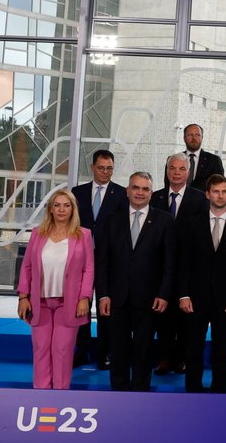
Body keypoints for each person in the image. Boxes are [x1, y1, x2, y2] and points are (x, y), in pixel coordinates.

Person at [95, 171, 176, 391]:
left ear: (151, 193)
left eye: (145, 189)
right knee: (118, 350)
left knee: (144, 350)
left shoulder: (165, 221)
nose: (140, 193)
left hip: (150, 300)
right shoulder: (111, 220)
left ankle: (140, 395)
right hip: (116, 298)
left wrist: (164, 294)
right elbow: (101, 262)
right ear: (127, 191)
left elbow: (170, 264)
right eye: (136, 188)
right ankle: (119, 396)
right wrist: (102, 294)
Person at [177, 173, 226, 393]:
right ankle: (193, 389)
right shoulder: (192, 223)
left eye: (225, 191)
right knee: (193, 349)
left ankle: (220, 389)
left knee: (222, 348)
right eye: (216, 191)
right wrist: (183, 294)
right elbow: (183, 262)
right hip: (195, 299)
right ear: (207, 194)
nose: (221, 195)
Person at [17, 190, 95, 389]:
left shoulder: (83, 234)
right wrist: (23, 296)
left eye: (66, 205)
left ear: (72, 209)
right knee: (41, 348)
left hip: (68, 302)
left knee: (62, 349)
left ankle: (60, 394)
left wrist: (85, 297)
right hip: (39, 301)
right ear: (50, 209)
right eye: (57, 205)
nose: (62, 209)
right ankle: (41, 393)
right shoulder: (37, 233)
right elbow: (26, 266)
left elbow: (89, 268)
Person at [150, 154, 205, 374]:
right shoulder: (155, 197)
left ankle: (181, 358)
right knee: (162, 315)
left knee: (185, 318)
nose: (176, 172)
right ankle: (164, 358)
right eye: (172, 168)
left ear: (188, 173)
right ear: (167, 171)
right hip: (159, 266)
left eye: (181, 169)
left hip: (188, 268)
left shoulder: (200, 199)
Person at [71, 148, 124, 369]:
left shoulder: (121, 194)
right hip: (81, 259)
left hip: (108, 261)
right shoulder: (77, 192)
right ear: (92, 167)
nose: (105, 172)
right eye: (101, 168)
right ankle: (81, 351)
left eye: (109, 168)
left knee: (106, 309)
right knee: (80, 307)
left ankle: (106, 354)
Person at [164, 123, 224, 191]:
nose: (194, 138)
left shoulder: (214, 160)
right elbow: (167, 186)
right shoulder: (173, 160)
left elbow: (219, 186)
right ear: (184, 138)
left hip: (204, 201)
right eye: (190, 135)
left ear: (202, 138)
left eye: (197, 135)